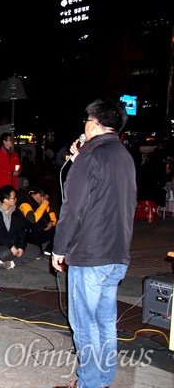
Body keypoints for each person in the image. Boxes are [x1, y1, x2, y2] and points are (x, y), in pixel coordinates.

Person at [51, 98, 135, 388]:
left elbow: (73, 208)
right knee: (105, 323)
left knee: (85, 324)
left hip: (90, 254)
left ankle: (89, 383)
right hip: (117, 253)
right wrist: (79, 158)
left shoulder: (90, 156)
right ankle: (101, 380)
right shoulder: (123, 155)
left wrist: (59, 249)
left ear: (93, 123)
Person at [0, 185, 41, 269]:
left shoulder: (16, 212)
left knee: (36, 250)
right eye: (14, 198)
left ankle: (13, 263)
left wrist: (21, 247)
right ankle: (11, 257)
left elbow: (21, 231)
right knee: (6, 253)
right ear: (6, 200)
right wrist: (11, 247)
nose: (16, 199)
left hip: (14, 243)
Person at [18, 186, 57, 256]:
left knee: (60, 225)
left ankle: (49, 248)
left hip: (40, 230)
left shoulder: (42, 201)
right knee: (34, 223)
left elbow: (51, 212)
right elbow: (33, 219)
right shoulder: (25, 203)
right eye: (45, 199)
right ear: (39, 195)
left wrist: (52, 222)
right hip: (26, 234)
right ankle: (37, 249)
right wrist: (43, 205)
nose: (46, 201)